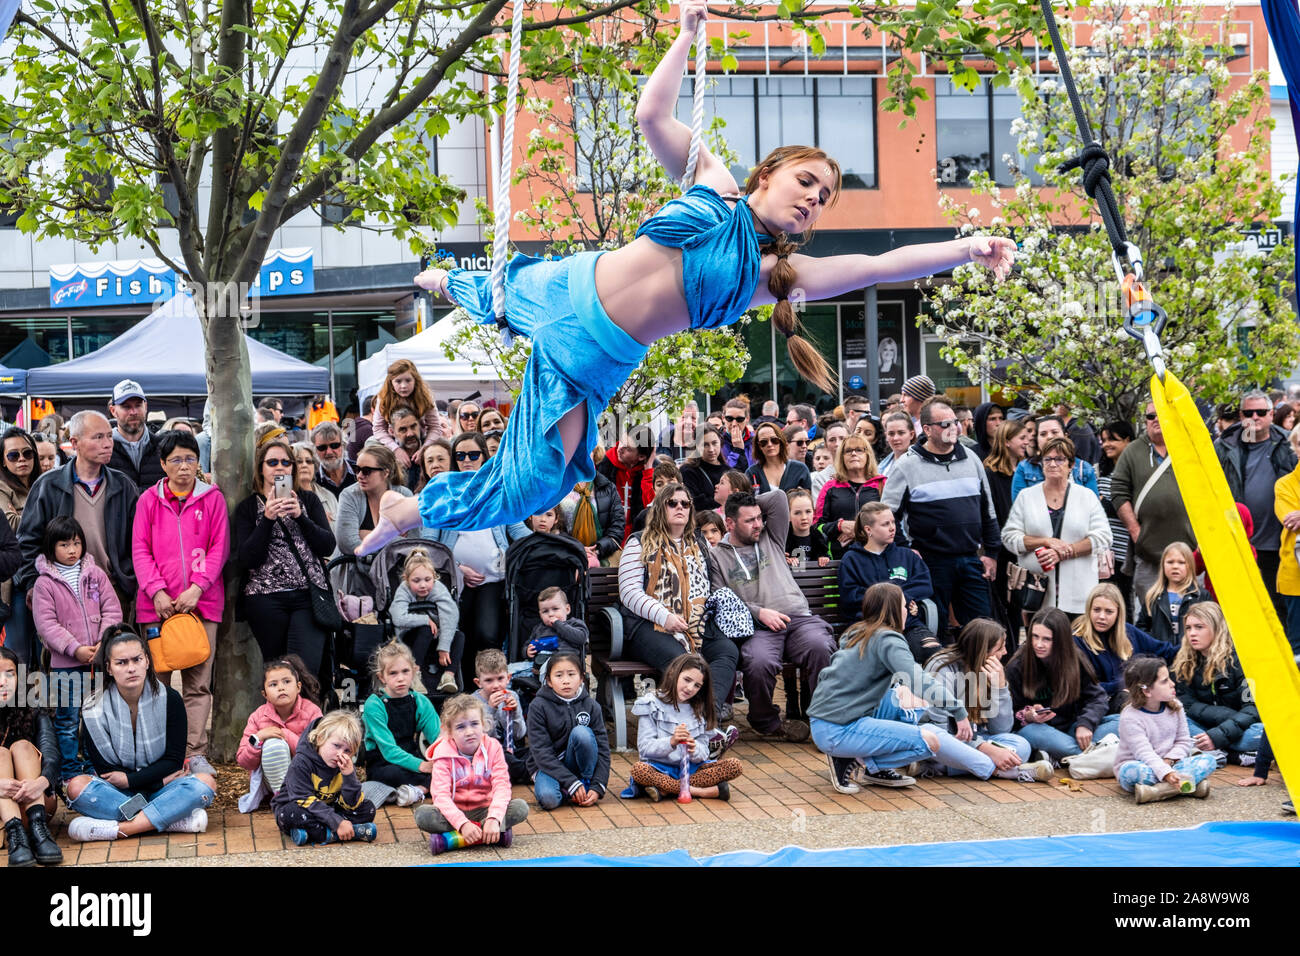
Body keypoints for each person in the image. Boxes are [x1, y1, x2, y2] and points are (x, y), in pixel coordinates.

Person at [354, 1, 1013, 555]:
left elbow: (879, 266)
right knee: (494, 294)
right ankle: (442, 283)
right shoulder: (718, 184)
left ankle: (410, 513)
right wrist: (687, 32)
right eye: (806, 180)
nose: (814, 197)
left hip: (591, 359)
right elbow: (650, 115)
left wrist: (968, 246)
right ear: (768, 175)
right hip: (568, 287)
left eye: (825, 196)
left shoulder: (771, 275)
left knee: (536, 484)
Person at [63, 627, 216, 842]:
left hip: (157, 788)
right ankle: (169, 819)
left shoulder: (170, 699)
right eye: (121, 663)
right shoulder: (92, 708)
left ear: (147, 661)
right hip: (127, 792)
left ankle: (121, 829)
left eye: (136, 660)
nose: (131, 668)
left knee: (205, 782)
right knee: (76, 787)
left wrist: (132, 780)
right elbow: (105, 770)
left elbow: (173, 760)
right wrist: (156, 783)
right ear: (108, 668)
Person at [131, 430, 229, 760]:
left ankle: (193, 753)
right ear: (163, 464)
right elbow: (139, 549)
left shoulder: (212, 498)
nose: (184, 467)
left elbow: (219, 548)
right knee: (155, 683)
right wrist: (156, 591)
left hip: (202, 606)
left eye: (190, 459)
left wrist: (197, 588)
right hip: (156, 608)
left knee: (198, 685)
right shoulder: (148, 500)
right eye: (176, 460)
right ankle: (157, 753)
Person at [711, 490, 838, 741]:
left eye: (759, 517)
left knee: (821, 646)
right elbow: (717, 598)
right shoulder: (717, 556)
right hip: (759, 626)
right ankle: (766, 721)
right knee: (757, 661)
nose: (758, 524)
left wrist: (743, 504)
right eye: (749, 520)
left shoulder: (772, 536)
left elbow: (779, 497)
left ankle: (821, 718)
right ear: (729, 523)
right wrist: (759, 612)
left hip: (797, 617)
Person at [807, 583, 950, 792]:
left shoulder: (857, 631)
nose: (908, 609)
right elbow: (918, 680)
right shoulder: (888, 639)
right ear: (892, 609)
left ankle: (870, 767)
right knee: (929, 743)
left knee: (912, 705)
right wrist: (959, 710)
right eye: (903, 605)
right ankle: (857, 762)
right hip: (835, 730)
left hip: (825, 721)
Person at [617, 482, 739, 721]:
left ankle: (705, 718)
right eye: (672, 503)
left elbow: (709, 585)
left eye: (685, 503)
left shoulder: (698, 544)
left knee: (727, 651)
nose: (679, 507)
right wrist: (665, 616)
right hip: (649, 625)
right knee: (684, 664)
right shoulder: (639, 542)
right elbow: (629, 592)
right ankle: (700, 725)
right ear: (660, 508)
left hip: (696, 623)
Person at [882, 395, 1000, 640]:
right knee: (934, 629)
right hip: (930, 561)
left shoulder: (972, 458)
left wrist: (991, 553)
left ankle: (981, 676)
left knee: (982, 628)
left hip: (970, 558)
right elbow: (888, 515)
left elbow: (987, 509)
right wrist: (906, 549)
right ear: (926, 429)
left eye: (954, 422)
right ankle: (939, 677)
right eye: (944, 424)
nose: (952, 428)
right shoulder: (906, 465)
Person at [423, 436, 530, 682]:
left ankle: (489, 686)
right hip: (452, 581)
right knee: (460, 635)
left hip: (493, 579)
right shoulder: (442, 493)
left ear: (484, 456)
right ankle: (465, 689)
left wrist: (550, 545)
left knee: (487, 634)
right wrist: (458, 569)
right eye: (460, 456)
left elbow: (519, 532)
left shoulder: (498, 491)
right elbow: (429, 545)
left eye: (473, 454)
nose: (467, 460)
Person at [233, 438, 336, 678]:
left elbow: (327, 545)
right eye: (272, 462)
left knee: (304, 670)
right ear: (261, 468)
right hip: (265, 599)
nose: (279, 468)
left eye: (285, 462)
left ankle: (309, 715)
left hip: (308, 596)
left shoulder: (308, 500)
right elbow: (248, 559)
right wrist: (267, 518)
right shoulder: (248, 507)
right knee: (278, 673)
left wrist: (300, 516)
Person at [31, 515, 123, 783]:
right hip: (66, 666)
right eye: (64, 545)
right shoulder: (45, 583)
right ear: (51, 547)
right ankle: (70, 769)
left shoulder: (95, 575)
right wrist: (74, 648)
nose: (72, 550)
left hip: (96, 662)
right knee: (68, 720)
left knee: (95, 718)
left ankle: (93, 765)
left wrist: (103, 642)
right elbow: (47, 625)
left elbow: (112, 609)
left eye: (76, 543)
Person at [17, 410, 139, 608]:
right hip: (62, 590)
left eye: (109, 436)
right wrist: (33, 583)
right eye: (98, 437)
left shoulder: (123, 485)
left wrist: (130, 580)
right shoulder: (48, 485)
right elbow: (28, 542)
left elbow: (138, 542)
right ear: (74, 443)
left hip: (114, 589)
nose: (107, 444)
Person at [920, 619, 1052, 782]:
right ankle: (1010, 771)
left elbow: (1001, 729)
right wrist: (986, 749)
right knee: (937, 744)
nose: (1005, 652)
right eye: (1000, 648)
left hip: (976, 738)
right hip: (946, 739)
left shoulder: (988, 669)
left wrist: (1000, 688)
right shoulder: (942, 668)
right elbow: (940, 730)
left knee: (1021, 745)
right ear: (982, 651)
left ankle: (937, 768)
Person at [1001, 436, 1111, 615]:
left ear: (1071, 464)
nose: (1053, 464)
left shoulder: (1086, 496)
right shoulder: (1026, 497)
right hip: (1037, 593)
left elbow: (1103, 537)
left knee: (1076, 642)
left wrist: (1065, 551)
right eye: (1047, 459)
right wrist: (1045, 541)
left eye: (1059, 459)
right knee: (1041, 641)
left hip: (1079, 593)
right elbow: (1009, 537)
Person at [1213, 389, 1296, 618]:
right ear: (1241, 416)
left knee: (1277, 608)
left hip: (1276, 543)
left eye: (1261, 412)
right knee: (1241, 609)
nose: (1255, 417)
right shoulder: (1225, 446)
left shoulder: (1287, 444)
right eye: (1249, 413)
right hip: (1239, 543)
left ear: (1271, 414)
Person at [415, 693, 530, 854]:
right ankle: (492, 835)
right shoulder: (442, 753)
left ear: (484, 725)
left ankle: (454, 839)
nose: (469, 732)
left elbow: (502, 787)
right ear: (448, 731)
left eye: (474, 724)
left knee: (520, 808)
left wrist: (494, 818)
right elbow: (440, 796)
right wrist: (462, 824)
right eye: (460, 727)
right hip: (454, 812)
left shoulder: (494, 748)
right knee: (422, 815)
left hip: (485, 809)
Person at [1110, 399, 1196, 601]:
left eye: (1161, 414)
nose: (1156, 419)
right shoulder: (1132, 451)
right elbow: (1118, 491)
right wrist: (1134, 530)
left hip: (1188, 551)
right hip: (1147, 549)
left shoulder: (1189, 448)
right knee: (1151, 609)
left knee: (1189, 610)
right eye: (1150, 416)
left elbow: (1209, 490)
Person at [628, 652, 744, 801]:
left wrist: (694, 748)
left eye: (697, 685)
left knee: (734, 766)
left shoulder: (701, 709)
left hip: (691, 770)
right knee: (639, 770)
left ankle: (667, 789)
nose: (690, 688)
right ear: (672, 674)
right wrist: (672, 741)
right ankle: (703, 791)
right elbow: (645, 749)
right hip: (659, 768)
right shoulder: (651, 704)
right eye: (687, 680)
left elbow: (703, 753)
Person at [1071, 582, 1177, 741]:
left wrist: (1193, 646)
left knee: (1163, 694)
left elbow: (1165, 651)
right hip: (1097, 707)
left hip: (1133, 699)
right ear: (1088, 610)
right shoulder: (1077, 640)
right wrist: (1124, 685)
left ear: (1118, 613)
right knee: (1133, 700)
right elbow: (1082, 688)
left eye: (1109, 612)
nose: (1101, 616)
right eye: (1096, 610)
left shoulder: (1128, 632)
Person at [838, 501, 941, 663]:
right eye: (886, 524)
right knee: (877, 660)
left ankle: (923, 689)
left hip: (909, 625)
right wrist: (895, 600)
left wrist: (902, 598)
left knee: (933, 654)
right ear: (868, 530)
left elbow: (924, 585)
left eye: (893, 522)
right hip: (869, 627)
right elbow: (850, 597)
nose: (893, 528)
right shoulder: (852, 560)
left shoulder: (907, 556)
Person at [1005, 607, 1108, 763]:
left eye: (1047, 639)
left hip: (1073, 728)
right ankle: (1095, 757)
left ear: (1060, 640)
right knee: (1033, 733)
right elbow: (1008, 715)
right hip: (1040, 730)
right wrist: (1028, 716)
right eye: (1035, 636)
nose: (1039, 644)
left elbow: (1097, 698)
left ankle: (1064, 757)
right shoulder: (1018, 665)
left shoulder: (1074, 659)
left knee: (1118, 722)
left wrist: (1086, 724)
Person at [1113, 656, 1215, 803]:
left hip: (1172, 764)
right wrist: (1166, 773)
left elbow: (1183, 741)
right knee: (1133, 770)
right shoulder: (1130, 716)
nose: (1172, 684)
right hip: (1142, 765)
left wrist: (1169, 761)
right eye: (1164, 681)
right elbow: (1144, 753)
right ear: (1147, 691)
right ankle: (1186, 786)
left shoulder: (1176, 706)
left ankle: (1156, 792)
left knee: (1208, 760)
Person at [272, 710, 378, 846]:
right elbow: (301, 798)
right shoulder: (302, 762)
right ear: (320, 738)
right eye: (336, 746)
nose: (340, 754)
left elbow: (352, 803)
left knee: (368, 808)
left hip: (329, 809)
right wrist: (337, 822)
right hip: (300, 806)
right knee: (293, 813)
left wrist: (349, 776)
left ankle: (318, 833)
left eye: (347, 751)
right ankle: (343, 832)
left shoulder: (344, 764)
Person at [1173, 601, 1264, 759]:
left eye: (1199, 627)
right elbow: (1185, 704)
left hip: (1243, 727)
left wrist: (1218, 736)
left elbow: (1252, 709)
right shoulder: (1185, 661)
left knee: (1260, 733)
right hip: (1207, 727)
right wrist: (1222, 721)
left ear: (1217, 628)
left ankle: (1219, 752)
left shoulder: (1240, 660)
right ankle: (1232, 754)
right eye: (1188, 628)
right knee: (1175, 721)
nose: (1192, 633)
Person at [0, 646, 63, 866]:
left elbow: (52, 753)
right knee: (0, 754)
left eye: (10, 673)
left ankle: (39, 832)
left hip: (36, 800)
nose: (3, 681)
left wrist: (41, 783)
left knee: (23, 746)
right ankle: (16, 835)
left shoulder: (32, 707)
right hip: (1, 808)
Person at [235, 655, 324, 812]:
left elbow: (319, 755)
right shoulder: (257, 717)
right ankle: (284, 800)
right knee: (273, 745)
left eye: (286, 682)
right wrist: (259, 738)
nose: (281, 688)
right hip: (274, 783)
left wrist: (285, 733)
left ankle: (298, 797)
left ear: (298, 687)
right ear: (265, 694)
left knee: (279, 741)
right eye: (273, 684)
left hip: (307, 778)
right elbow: (243, 761)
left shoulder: (312, 712)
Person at [526, 652, 612, 810]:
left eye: (571, 674)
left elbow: (603, 748)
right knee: (549, 799)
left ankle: (584, 784)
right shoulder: (538, 706)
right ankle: (570, 788)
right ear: (549, 681)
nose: (566, 681)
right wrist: (571, 782)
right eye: (558, 675)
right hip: (548, 766)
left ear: (581, 679)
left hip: (577, 764)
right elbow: (541, 753)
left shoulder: (591, 706)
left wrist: (598, 785)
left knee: (582, 733)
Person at [362, 641, 441, 806]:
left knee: (445, 769)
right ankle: (429, 787)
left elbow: (438, 739)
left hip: (411, 755)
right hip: (384, 761)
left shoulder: (420, 701)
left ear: (414, 671)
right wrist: (423, 766)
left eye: (405, 671)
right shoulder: (374, 704)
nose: (401, 678)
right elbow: (389, 751)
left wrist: (445, 761)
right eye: (393, 673)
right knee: (392, 774)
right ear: (382, 677)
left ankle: (419, 790)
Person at [388, 547, 461, 694]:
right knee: (425, 628)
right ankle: (414, 674)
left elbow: (450, 615)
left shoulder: (437, 588)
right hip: (409, 637)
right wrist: (425, 619)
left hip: (436, 637)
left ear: (434, 577)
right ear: (407, 579)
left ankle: (448, 676)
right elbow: (398, 617)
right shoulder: (404, 589)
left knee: (459, 636)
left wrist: (444, 647)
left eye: (427, 580)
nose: (423, 585)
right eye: (416, 581)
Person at [334, 444, 424, 557]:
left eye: (366, 471)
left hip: (392, 571)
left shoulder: (403, 495)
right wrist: (394, 539)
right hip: (355, 572)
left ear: (386, 473)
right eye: (357, 469)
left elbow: (413, 546)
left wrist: (369, 536)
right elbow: (347, 544)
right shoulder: (349, 495)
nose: (360, 476)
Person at [0, 427, 40, 667]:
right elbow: (10, 523)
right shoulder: (1, 488)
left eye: (27, 453)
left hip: (44, 575)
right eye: (13, 455)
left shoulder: (44, 482)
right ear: (3, 462)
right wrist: (44, 515)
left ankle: (43, 704)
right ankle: (17, 704)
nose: (22, 459)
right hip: (13, 581)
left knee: (45, 646)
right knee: (19, 652)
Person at [813, 432, 884, 559]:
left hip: (877, 556)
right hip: (839, 558)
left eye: (859, 450)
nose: (853, 454)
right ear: (842, 457)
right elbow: (816, 527)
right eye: (848, 451)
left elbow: (892, 523)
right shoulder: (830, 487)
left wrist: (859, 530)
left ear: (868, 455)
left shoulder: (881, 484)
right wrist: (839, 526)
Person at [372, 359, 446, 468]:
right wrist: (395, 449)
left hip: (420, 438)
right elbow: (378, 428)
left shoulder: (426, 397)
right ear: (391, 382)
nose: (403, 386)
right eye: (398, 381)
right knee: (370, 443)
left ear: (415, 380)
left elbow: (435, 427)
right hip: (394, 439)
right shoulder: (383, 399)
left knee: (445, 444)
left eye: (408, 380)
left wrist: (425, 448)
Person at [472, 649, 531, 784]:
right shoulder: (473, 702)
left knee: (536, 752)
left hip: (512, 749)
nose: (496, 685)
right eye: (489, 680)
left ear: (508, 678)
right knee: (505, 759)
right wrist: (490, 709)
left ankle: (520, 772)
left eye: (500, 678)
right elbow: (480, 738)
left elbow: (519, 734)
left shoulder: (512, 696)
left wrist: (515, 712)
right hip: (488, 754)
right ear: (478, 682)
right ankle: (529, 773)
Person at [1096, 420, 1136, 613]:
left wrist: (1108, 504)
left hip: (1124, 550)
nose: (1106, 444)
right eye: (1103, 440)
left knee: (1121, 602)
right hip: (1102, 552)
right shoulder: (1099, 472)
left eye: (1112, 439)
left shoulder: (1135, 474)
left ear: (1128, 441)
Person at [1009, 415, 1100, 501]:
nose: (1049, 437)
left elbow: (1093, 508)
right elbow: (1019, 507)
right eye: (1043, 434)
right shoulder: (1024, 468)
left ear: (1065, 435)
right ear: (1037, 439)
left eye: (1054, 432)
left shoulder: (1084, 468)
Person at [1134, 541, 1201, 646]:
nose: (1175, 566)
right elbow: (1141, 628)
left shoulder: (1200, 596)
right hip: (1160, 657)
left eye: (1181, 562)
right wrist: (1154, 645)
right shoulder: (1153, 596)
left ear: (1190, 566)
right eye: (1170, 562)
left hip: (1190, 656)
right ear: (1163, 565)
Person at [595, 426, 656, 540]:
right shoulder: (602, 464)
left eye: (628, 448)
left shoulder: (653, 471)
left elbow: (654, 509)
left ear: (641, 456)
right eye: (621, 442)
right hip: (608, 536)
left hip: (640, 538)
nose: (620, 448)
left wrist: (648, 473)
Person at [557, 470, 626, 565]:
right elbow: (551, 526)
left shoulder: (608, 487)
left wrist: (597, 549)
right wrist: (576, 548)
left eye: (589, 454)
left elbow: (617, 528)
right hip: (564, 559)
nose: (584, 455)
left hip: (601, 560)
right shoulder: (557, 484)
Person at [106, 380, 165, 489]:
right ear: (113, 411)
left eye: (138, 405)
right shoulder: (104, 449)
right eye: (126, 407)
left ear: (145, 407)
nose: (133, 412)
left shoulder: (163, 446)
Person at [1274, 422, 1300, 655]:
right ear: (1294, 448)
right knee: (1297, 644)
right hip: (1295, 577)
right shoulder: (1284, 485)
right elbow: (1290, 520)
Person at [526, 585, 590, 681]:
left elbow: (581, 638)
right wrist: (527, 651)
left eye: (555, 609)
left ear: (567, 609)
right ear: (540, 614)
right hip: (544, 665)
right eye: (545, 611)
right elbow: (528, 644)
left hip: (568, 663)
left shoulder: (574, 623)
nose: (551, 614)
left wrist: (558, 624)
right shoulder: (539, 629)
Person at [746, 420, 810, 494]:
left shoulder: (800, 469)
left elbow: (808, 500)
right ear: (759, 446)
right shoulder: (752, 473)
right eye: (763, 442)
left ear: (781, 442)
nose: (769, 444)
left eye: (774, 440)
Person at [291, 441, 340, 530]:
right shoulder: (286, 498)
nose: (304, 465)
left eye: (309, 461)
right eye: (299, 461)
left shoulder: (328, 496)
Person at [680, 425, 729, 512]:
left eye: (714, 443)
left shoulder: (728, 471)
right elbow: (696, 503)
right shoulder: (688, 471)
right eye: (705, 445)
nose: (711, 449)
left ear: (720, 442)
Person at [785, 487, 829, 566]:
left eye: (808, 511)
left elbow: (824, 554)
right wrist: (786, 560)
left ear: (814, 513)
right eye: (797, 513)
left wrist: (823, 558)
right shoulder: (783, 540)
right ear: (788, 516)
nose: (804, 517)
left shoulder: (819, 538)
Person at [311, 420, 355, 498]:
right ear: (315, 450)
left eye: (334, 445)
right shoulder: (312, 480)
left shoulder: (360, 471)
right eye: (322, 447)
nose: (329, 452)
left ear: (343, 445)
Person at [388, 408, 427, 488]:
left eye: (413, 427)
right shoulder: (387, 459)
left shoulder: (432, 451)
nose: (410, 434)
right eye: (403, 430)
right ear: (392, 432)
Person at [809, 420, 848, 500]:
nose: (837, 443)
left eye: (842, 438)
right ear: (826, 445)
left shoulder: (862, 471)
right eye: (832, 440)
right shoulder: (821, 479)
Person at [876, 410, 914, 478]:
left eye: (901, 433)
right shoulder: (881, 466)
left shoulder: (920, 462)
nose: (895, 438)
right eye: (891, 434)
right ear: (886, 436)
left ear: (911, 434)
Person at [718, 398, 754, 469]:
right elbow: (722, 472)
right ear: (723, 418)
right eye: (729, 418)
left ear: (747, 419)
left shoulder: (756, 441)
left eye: (739, 419)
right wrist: (737, 450)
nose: (734, 424)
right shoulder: (717, 442)